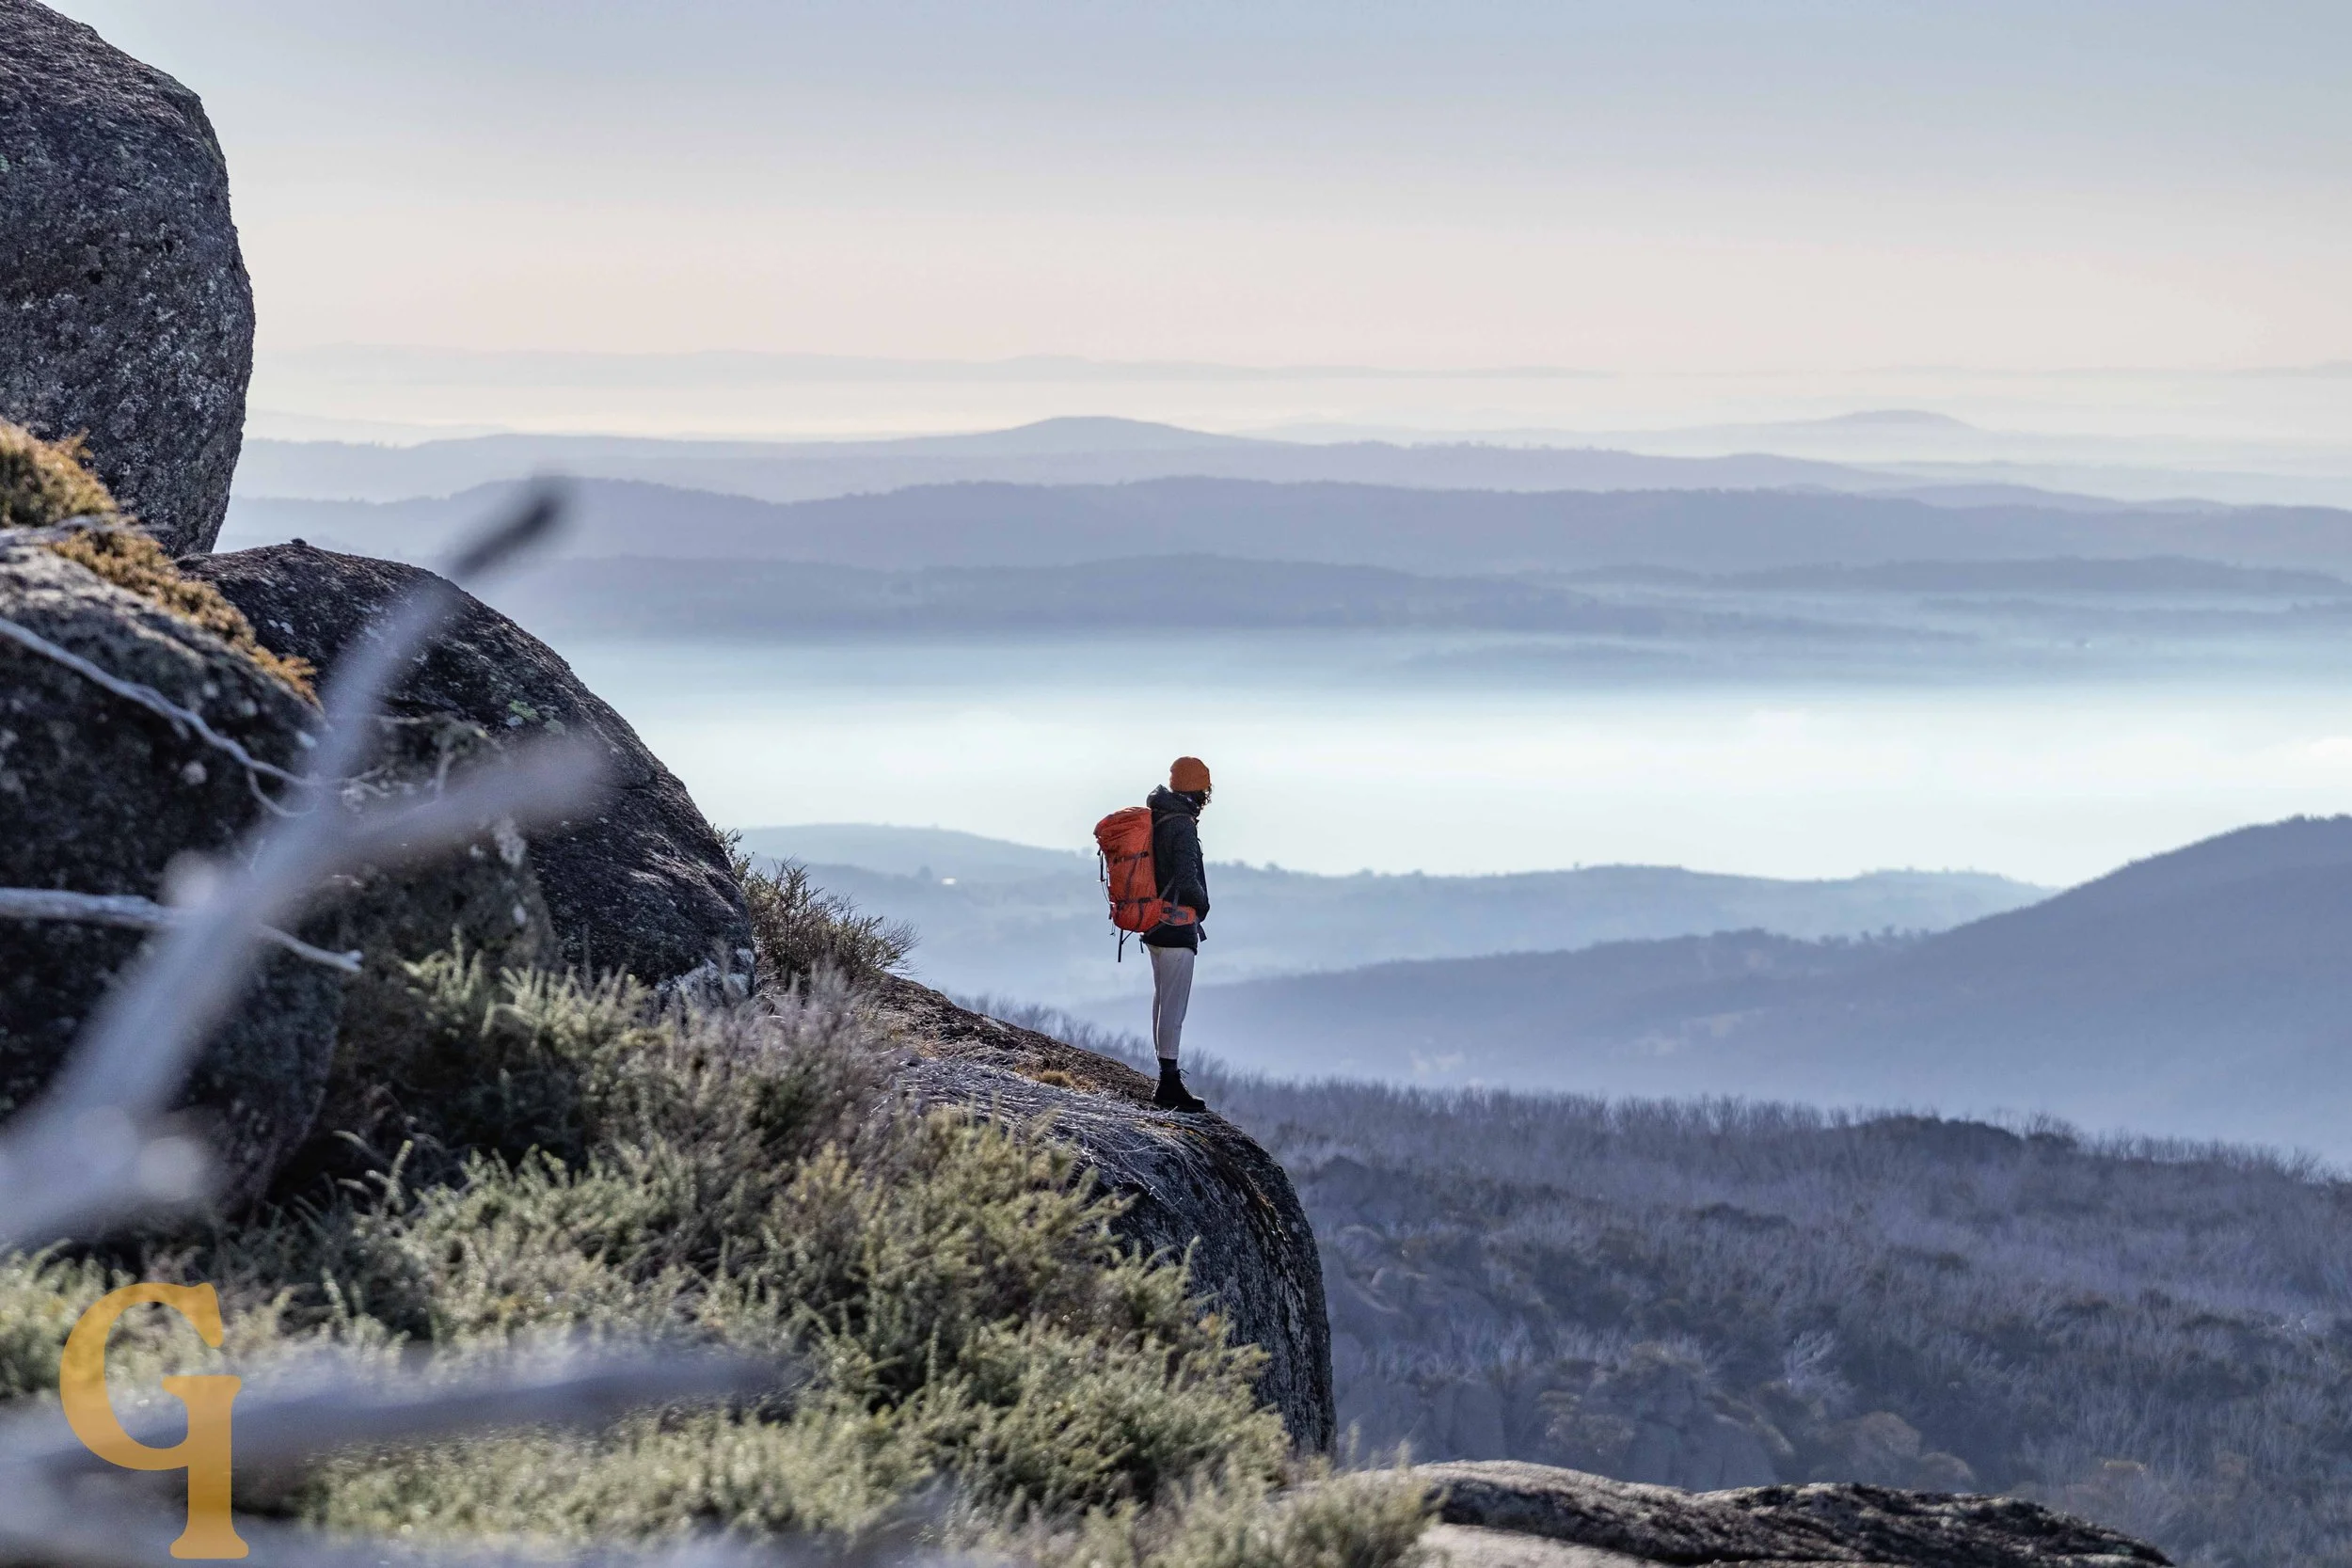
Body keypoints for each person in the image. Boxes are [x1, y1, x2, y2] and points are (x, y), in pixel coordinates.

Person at [1143, 755, 1213, 1111]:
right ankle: (1168, 1082)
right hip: (1176, 924)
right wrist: (1203, 904)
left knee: (1161, 999)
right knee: (1174, 1005)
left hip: (1154, 922)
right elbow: (1187, 879)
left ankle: (1165, 1073)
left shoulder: (1158, 814)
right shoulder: (1182, 824)